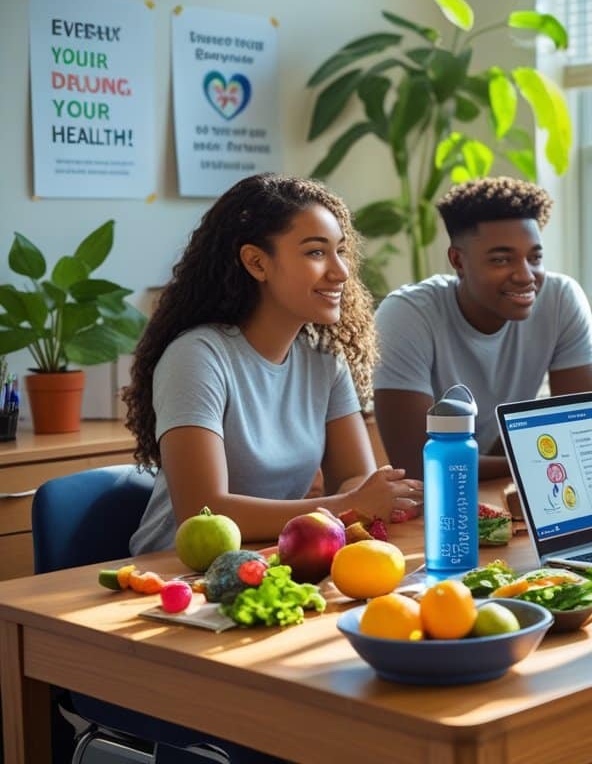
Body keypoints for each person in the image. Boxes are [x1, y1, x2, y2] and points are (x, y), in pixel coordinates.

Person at [125, 173, 421, 555]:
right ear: (256, 262)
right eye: (316, 252)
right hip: (177, 572)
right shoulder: (197, 356)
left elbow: (353, 477)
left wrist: (371, 495)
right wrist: (348, 506)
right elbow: (204, 510)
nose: (341, 271)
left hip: (281, 560)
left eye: (340, 251)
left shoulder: (324, 358)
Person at [374, 176, 592, 480]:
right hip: (434, 502)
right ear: (458, 261)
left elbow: (586, 433)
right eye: (501, 259)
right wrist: (545, 463)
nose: (526, 276)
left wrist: (547, 461)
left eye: (535, 257)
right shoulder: (407, 314)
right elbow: (421, 464)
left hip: (497, 485)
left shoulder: (560, 299)